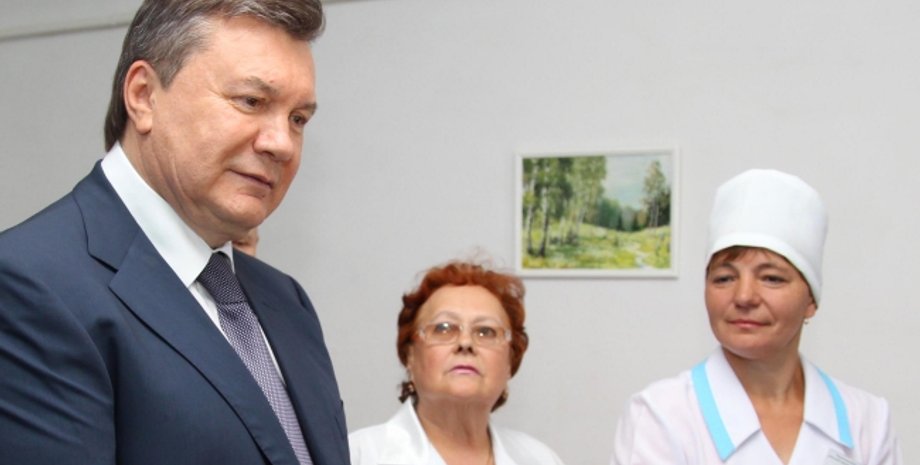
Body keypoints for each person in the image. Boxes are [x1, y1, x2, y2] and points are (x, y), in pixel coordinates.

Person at [0, 1, 350, 464]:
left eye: (298, 119)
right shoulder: (28, 286)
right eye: (251, 101)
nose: (281, 143)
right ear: (144, 95)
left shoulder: (287, 302)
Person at [611, 169, 902, 465]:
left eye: (771, 278)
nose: (744, 296)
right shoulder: (661, 417)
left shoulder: (868, 420)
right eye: (724, 278)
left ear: (811, 300)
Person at [349, 260, 566, 465]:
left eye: (486, 331)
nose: (465, 342)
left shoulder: (540, 459)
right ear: (409, 355)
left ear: (510, 361)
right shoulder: (357, 455)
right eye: (444, 328)